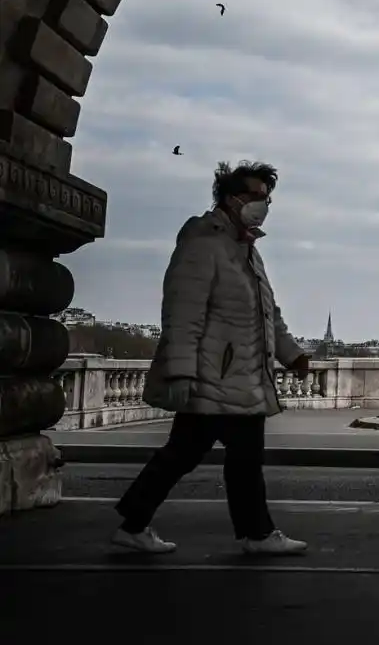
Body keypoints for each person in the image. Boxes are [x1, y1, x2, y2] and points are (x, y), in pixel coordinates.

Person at [111, 160, 311, 556]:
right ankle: (256, 534)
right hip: (215, 377)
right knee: (235, 459)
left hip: (236, 377)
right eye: (255, 196)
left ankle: (134, 523)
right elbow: (183, 315)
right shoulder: (203, 244)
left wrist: (292, 355)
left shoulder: (246, 250)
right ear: (230, 198)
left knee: (189, 455)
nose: (263, 204)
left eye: (267, 198)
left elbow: (268, 315)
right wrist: (182, 373)